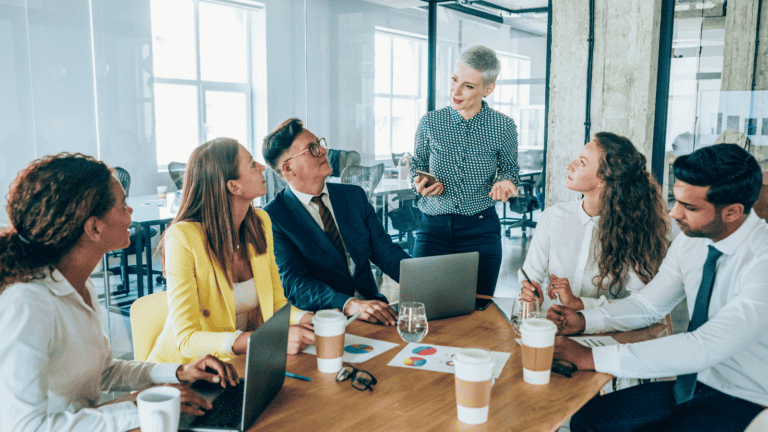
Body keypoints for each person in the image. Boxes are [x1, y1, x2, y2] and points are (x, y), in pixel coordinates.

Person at [0, 154, 237, 432]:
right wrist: (139, 409)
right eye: (123, 205)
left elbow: (104, 371)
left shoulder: (80, 284)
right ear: (94, 227)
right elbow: (24, 426)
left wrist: (177, 371)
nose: (131, 212)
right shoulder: (27, 303)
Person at [550, 143, 768, 432]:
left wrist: (590, 357)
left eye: (689, 207)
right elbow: (649, 305)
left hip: (747, 398)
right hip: (691, 384)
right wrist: (584, 320)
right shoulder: (692, 240)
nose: (674, 214)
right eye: (675, 200)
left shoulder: (762, 260)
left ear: (732, 212)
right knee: (589, 419)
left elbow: (704, 346)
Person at [147, 138, 314, 364]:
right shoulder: (182, 238)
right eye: (251, 164)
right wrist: (266, 340)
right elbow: (187, 340)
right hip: (183, 371)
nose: (262, 167)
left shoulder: (260, 222)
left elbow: (275, 305)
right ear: (233, 186)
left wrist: (311, 319)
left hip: (237, 365)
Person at [263, 118, 410, 325]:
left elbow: (386, 252)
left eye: (320, 143)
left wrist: (421, 279)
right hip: (324, 323)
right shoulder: (274, 217)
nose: (324, 151)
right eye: (312, 149)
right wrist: (349, 304)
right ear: (288, 169)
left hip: (375, 313)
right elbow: (295, 284)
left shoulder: (353, 196)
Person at [410, 44, 519, 296]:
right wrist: (418, 183)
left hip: (481, 232)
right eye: (454, 80)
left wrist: (505, 182)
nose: (455, 92)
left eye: (468, 86)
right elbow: (417, 166)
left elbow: (510, 170)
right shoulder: (430, 122)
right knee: (424, 306)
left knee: (478, 311)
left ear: (487, 89)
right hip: (433, 229)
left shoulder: (503, 126)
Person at [519, 132, 669, 310]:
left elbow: (641, 304)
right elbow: (530, 277)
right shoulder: (553, 216)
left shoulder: (636, 227)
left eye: (582, 162)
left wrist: (579, 303)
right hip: (552, 324)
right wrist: (531, 295)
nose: (569, 166)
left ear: (603, 179)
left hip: (608, 330)